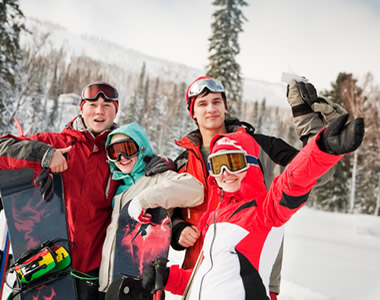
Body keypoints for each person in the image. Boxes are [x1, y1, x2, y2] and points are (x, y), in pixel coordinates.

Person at [142, 114, 364, 299]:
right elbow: (205, 278)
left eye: (234, 162)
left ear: (251, 163)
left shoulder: (265, 211)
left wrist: (322, 149)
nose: (225, 173)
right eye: (218, 165)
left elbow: (293, 181)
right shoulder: (215, 218)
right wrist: (167, 277)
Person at [170, 76, 344, 299]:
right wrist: (178, 228)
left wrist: (310, 122)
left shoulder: (259, 147)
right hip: (197, 278)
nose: (211, 108)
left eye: (216, 101)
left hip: (252, 278)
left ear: (226, 106)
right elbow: (171, 212)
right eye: (202, 104)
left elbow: (313, 171)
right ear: (192, 113)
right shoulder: (183, 162)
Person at [0, 81, 121, 300]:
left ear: (115, 111)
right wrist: (43, 154)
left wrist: (159, 167)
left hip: (93, 279)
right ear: (81, 108)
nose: (99, 111)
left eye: (107, 106)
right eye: (93, 104)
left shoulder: (122, 154)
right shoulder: (54, 142)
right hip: (47, 272)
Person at [98, 122, 204, 294]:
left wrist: (145, 199)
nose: (122, 157)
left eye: (127, 149)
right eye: (114, 153)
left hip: (141, 287)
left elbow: (195, 189)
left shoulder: (158, 177)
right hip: (108, 286)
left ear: (141, 148)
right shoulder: (118, 190)